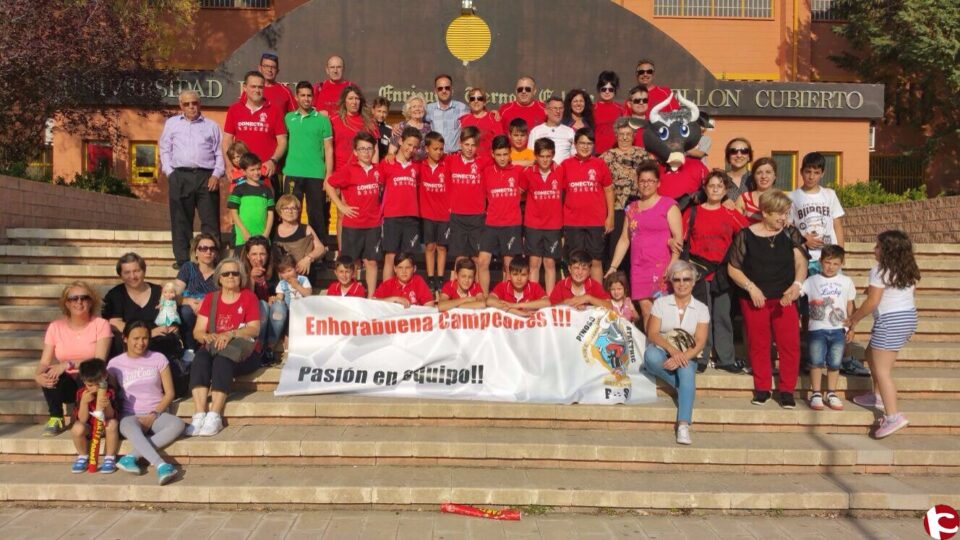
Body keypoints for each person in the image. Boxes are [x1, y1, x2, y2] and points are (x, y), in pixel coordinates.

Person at [727, 189, 809, 409]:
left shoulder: (790, 233)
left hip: (785, 298)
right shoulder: (745, 234)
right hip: (756, 300)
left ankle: (786, 391)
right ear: (765, 212)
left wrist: (797, 285)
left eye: (785, 213)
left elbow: (801, 263)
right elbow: (733, 268)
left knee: (790, 345)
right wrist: (750, 287)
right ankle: (762, 388)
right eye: (779, 213)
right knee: (758, 344)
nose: (783, 218)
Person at [847, 230, 920, 439]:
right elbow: (907, 293)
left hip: (890, 320)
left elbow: (872, 302)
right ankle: (876, 395)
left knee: (882, 371)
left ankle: (893, 416)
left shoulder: (878, 269)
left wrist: (854, 319)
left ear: (888, 251)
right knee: (870, 353)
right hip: (907, 317)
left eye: (878, 246)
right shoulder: (908, 269)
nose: (874, 249)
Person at [186, 258, 262, 437]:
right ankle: (199, 413)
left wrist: (231, 333)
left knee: (222, 361)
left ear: (241, 277)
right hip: (213, 345)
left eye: (235, 273)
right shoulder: (211, 298)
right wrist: (206, 336)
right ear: (219, 278)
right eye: (226, 273)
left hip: (242, 351)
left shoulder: (248, 297)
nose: (230, 276)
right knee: (201, 359)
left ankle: (215, 414)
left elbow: (254, 328)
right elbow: (197, 331)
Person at [683, 170, 749, 374]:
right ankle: (701, 355)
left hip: (722, 271)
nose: (715, 189)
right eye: (711, 185)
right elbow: (681, 239)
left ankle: (725, 357)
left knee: (722, 315)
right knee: (701, 316)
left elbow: (747, 236)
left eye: (719, 186)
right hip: (698, 272)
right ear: (705, 188)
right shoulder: (692, 212)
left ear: (725, 190)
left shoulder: (730, 213)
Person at [607, 162, 682, 329]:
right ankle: (652, 351)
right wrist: (613, 266)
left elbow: (678, 240)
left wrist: (671, 267)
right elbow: (624, 240)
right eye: (642, 181)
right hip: (639, 267)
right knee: (646, 311)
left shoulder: (668, 205)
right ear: (637, 183)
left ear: (658, 183)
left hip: (662, 266)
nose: (646, 184)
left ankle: (666, 351)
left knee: (663, 311)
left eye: (650, 181)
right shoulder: (632, 209)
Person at [108, 321, 184, 485]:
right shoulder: (114, 364)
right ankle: (161, 465)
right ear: (125, 338)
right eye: (136, 338)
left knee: (178, 424)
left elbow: (170, 393)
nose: (140, 343)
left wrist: (154, 414)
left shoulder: (158, 358)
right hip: (129, 415)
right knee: (128, 426)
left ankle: (131, 457)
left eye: (145, 338)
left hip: (156, 412)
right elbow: (111, 394)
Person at [643, 260, 709, 445]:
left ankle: (683, 424)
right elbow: (653, 333)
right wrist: (672, 351)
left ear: (694, 281)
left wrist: (683, 356)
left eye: (686, 279)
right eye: (677, 279)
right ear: (671, 281)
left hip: (688, 351)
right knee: (650, 356)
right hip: (664, 349)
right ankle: (685, 390)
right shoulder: (661, 303)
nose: (682, 283)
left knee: (687, 371)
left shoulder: (701, 309)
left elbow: (700, 340)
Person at [158, 89, 224, 269]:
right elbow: (164, 149)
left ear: (199, 104)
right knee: (180, 219)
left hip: (206, 176)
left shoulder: (211, 125)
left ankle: (213, 257)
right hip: (180, 176)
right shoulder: (172, 124)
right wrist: (170, 173)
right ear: (181, 106)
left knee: (210, 220)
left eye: (194, 103)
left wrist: (216, 174)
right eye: (186, 104)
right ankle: (183, 261)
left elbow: (219, 153)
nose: (191, 107)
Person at [35, 282, 112, 436]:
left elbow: (99, 362)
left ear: (91, 301)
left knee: (93, 375)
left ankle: (88, 417)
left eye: (84, 298)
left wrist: (68, 364)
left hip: (91, 378)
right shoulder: (56, 327)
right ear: (67, 303)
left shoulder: (101, 324)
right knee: (49, 372)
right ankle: (56, 417)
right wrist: (38, 376)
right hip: (68, 383)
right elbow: (44, 362)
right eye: (73, 298)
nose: (79, 302)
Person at [324, 132, 383, 296]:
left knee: (371, 262)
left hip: (373, 224)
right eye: (362, 149)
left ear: (374, 150)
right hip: (353, 225)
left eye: (369, 149)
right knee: (352, 263)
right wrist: (341, 206)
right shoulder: (349, 170)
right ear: (355, 152)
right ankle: (354, 293)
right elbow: (329, 184)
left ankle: (370, 297)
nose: (366, 152)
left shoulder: (379, 169)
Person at [801, 245, 856, 411]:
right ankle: (816, 393)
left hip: (838, 329)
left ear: (841, 264)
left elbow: (850, 304)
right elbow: (798, 291)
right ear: (820, 262)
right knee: (816, 362)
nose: (830, 267)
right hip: (817, 329)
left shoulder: (846, 282)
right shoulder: (811, 281)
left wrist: (851, 326)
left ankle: (831, 393)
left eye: (835, 264)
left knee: (834, 363)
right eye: (827, 262)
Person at [103, 253, 181, 362]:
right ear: (120, 275)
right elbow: (115, 322)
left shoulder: (159, 291)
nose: (133, 276)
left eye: (137, 271)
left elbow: (170, 313)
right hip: (130, 339)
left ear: (144, 271)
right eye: (127, 273)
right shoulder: (115, 294)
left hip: (158, 338)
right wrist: (146, 334)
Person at [560, 128, 614, 282]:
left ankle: (597, 297)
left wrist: (610, 217)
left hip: (595, 222)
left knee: (595, 261)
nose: (585, 146)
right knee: (576, 262)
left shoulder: (599, 164)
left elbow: (609, 190)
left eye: (589, 143)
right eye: (582, 143)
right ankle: (575, 297)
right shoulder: (565, 165)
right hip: (572, 222)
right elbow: (560, 194)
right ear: (575, 145)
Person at [283, 81, 334, 245]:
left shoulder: (323, 120)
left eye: (309, 95)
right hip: (292, 173)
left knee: (316, 215)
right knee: (290, 213)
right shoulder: (288, 118)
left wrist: (329, 176)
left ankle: (319, 253)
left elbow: (329, 150)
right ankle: (291, 248)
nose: (306, 99)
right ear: (296, 97)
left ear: (313, 97)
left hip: (316, 175)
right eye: (303, 95)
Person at [223, 70, 288, 194]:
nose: (257, 90)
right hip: (241, 173)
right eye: (253, 86)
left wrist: (273, 160)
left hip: (265, 173)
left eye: (260, 87)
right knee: (241, 210)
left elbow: (283, 141)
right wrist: (229, 164)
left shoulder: (274, 110)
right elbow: (227, 139)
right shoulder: (234, 109)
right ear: (245, 88)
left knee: (267, 211)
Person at [601, 117, 648, 273]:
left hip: (637, 207)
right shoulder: (607, 156)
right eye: (621, 134)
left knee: (635, 249)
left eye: (628, 134)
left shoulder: (642, 155)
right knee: (614, 248)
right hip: (616, 209)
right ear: (616, 135)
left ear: (634, 135)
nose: (625, 137)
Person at [478, 135, 524, 293]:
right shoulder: (487, 171)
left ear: (510, 153)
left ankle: (506, 297)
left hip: (511, 224)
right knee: (483, 262)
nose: (502, 158)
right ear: (492, 154)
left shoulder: (518, 171)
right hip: (490, 224)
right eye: (498, 155)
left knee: (508, 265)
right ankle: (483, 298)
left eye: (505, 154)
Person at [789, 152, 846, 273]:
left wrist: (841, 253)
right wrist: (803, 240)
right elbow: (790, 226)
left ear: (822, 173)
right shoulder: (792, 197)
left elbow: (837, 225)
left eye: (816, 173)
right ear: (801, 172)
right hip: (806, 257)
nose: (811, 176)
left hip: (830, 257)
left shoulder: (830, 194)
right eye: (808, 172)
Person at [380, 126, 423, 281]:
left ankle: (407, 291)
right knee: (390, 255)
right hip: (392, 216)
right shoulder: (386, 163)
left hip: (412, 217)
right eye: (409, 144)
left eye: (415, 146)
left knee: (408, 258)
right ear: (400, 141)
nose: (411, 149)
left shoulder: (417, 166)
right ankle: (387, 290)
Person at [445, 126, 490, 271]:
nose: (470, 148)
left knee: (477, 257)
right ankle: (459, 292)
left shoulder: (484, 162)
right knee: (460, 257)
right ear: (460, 143)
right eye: (466, 144)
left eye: (473, 145)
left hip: (477, 216)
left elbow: (507, 160)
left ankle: (477, 290)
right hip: (457, 215)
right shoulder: (450, 161)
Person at [522, 138, 563, 293]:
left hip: (553, 225)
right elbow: (519, 193)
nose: (545, 160)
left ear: (553, 155)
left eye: (548, 156)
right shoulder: (528, 173)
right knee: (534, 263)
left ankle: (549, 298)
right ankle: (533, 296)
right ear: (536, 156)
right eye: (542, 156)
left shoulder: (560, 170)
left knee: (550, 263)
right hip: (533, 224)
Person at [69, 359, 120, 473]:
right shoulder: (81, 393)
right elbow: (82, 419)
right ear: (83, 381)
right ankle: (83, 456)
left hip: (104, 427)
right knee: (77, 428)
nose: (95, 388)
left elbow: (111, 416)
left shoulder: (110, 391)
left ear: (105, 377)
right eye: (90, 385)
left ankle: (110, 458)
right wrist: (84, 402)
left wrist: (106, 405)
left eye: (98, 384)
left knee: (112, 424)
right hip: (89, 427)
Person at [239, 236, 284, 361]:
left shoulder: (276, 270)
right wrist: (251, 278)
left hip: (274, 312)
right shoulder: (239, 272)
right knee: (262, 305)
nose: (258, 258)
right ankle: (259, 348)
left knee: (278, 305)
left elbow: (281, 291)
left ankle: (269, 349)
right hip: (252, 314)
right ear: (247, 255)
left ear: (268, 255)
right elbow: (245, 299)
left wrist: (275, 298)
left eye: (262, 254)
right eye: (254, 254)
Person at [173, 233, 220, 353]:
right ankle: (190, 348)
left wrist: (206, 303)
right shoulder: (188, 268)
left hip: (213, 309)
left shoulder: (221, 272)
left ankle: (206, 346)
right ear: (196, 252)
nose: (208, 252)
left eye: (212, 249)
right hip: (190, 309)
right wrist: (186, 300)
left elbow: (226, 295)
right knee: (186, 311)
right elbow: (175, 292)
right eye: (203, 248)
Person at [419, 132, 450, 291]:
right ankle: (430, 278)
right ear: (427, 149)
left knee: (442, 247)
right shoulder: (420, 166)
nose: (439, 152)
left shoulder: (447, 164)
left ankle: (441, 277)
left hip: (444, 214)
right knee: (430, 246)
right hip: (427, 214)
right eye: (435, 148)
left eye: (441, 149)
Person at [271, 194, 327, 278]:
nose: (290, 211)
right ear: (280, 212)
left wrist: (308, 258)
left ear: (298, 211)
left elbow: (321, 248)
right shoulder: (273, 230)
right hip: (280, 277)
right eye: (286, 208)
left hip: (302, 276)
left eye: (294, 208)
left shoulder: (306, 229)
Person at [228, 152, 275, 248]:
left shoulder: (267, 190)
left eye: (258, 169)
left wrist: (266, 234)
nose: (256, 172)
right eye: (252, 170)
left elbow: (270, 214)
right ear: (243, 172)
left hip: (262, 239)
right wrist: (244, 231)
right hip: (243, 239)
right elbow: (234, 212)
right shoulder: (238, 189)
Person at [330, 84, 378, 172]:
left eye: (357, 98)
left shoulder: (370, 123)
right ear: (344, 101)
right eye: (350, 98)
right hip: (339, 172)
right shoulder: (333, 121)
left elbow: (375, 149)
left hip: (362, 172)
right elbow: (328, 148)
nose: (354, 102)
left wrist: (374, 171)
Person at [425, 74, 468, 153]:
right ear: (435, 91)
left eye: (447, 88)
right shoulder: (428, 109)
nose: (444, 91)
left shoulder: (462, 108)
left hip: (455, 156)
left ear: (452, 90)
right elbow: (414, 122)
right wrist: (396, 126)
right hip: (436, 156)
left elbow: (476, 119)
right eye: (440, 88)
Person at [528, 96, 575, 164]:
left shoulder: (570, 132)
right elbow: (531, 156)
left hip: (564, 172)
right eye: (555, 108)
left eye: (560, 108)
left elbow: (574, 155)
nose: (558, 111)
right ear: (546, 111)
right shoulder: (536, 131)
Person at [459, 87, 503, 158]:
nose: (476, 101)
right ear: (469, 102)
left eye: (479, 98)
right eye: (472, 99)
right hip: (469, 163)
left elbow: (500, 142)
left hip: (487, 162)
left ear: (484, 102)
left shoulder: (493, 118)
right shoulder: (463, 119)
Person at [388, 95, 432, 161]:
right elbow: (391, 151)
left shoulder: (429, 128)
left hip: (423, 166)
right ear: (409, 110)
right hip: (405, 165)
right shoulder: (401, 127)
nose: (417, 109)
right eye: (414, 107)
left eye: (420, 106)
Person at [736, 157, 777, 224]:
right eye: (759, 173)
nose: (763, 176)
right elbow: (735, 225)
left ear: (775, 176)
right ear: (754, 176)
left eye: (768, 172)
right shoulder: (743, 199)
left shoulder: (781, 199)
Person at [593, 71, 622, 154]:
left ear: (615, 90)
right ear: (599, 89)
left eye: (611, 89)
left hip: (616, 154)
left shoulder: (621, 109)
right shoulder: (592, 108)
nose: (607, 92)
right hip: (597, 154)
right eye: (604, 89)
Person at [724, 138, 755, 203]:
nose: (739, 155)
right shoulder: (720, 179)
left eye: (744, 151)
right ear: (728, 156)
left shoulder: (756, 179)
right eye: (733, 151)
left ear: (749, 156)